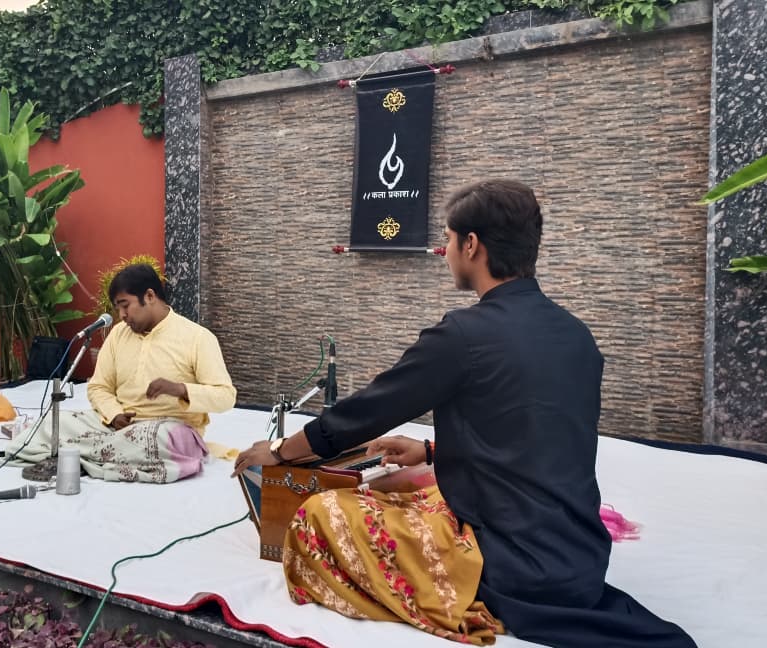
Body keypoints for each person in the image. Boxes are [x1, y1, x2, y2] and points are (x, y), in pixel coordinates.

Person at [232, 180, 694, 647]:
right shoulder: (576, 335)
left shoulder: (463, 336)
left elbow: (368, 411)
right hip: (577, 555)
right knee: (415, 487)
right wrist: (431, 451)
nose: (445, 251)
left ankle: (458, 594)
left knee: (319, 513)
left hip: (509, 563)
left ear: (472, 245)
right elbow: (539, 437)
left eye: (448, 240)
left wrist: (280, 450)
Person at [6, 263, 237, 483]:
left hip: (169, 430)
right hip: (117, 427)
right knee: (53, 422)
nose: (122, 315)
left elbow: (226, 396)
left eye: (125, 305)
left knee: (160, 440)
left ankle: (79, 455)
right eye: (118, 309)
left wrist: (180, 389)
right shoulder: (118, 335)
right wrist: (114, 413)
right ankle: (99, 455)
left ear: (149, 296)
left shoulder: (198, 337)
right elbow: (99, 387)